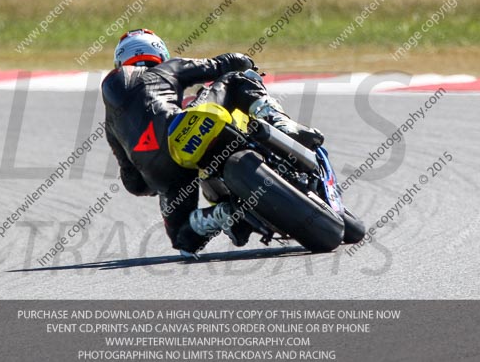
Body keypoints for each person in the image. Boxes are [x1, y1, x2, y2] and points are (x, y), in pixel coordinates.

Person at [101, 28, 323, 256]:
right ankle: (279, 122)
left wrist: (154, 179)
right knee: (235, 79)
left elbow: (134, 183)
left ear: (120, 61)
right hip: (182, 129)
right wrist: (246, 62)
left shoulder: (111, 123)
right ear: (160, 55)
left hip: (160, 171)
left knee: (182, 239)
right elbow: (222, 64)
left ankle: (221, 215)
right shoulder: (166, 69)